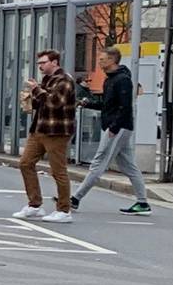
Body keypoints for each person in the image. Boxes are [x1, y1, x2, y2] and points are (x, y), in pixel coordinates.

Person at [72, 47, 153, 216]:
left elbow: (125, 107)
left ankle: (75, 199)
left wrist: (114, 128)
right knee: (129, 166)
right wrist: (87, 104)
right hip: (117, 126)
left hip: (118, 127)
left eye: (102, 59)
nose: (99, 62)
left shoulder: (122, 80)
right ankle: (142, 202)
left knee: (99, 162)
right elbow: (107, 105)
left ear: (112, 60)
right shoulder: (110, 80)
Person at [14, 49, 79, 222]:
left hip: (56, 131)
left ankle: (64, 210)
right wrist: (30, 99)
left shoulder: (65, 80)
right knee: (25, 163)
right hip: (40, 129)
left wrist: (36, 90)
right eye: (39, 63)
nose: (40, 66)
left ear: (55, 62)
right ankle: (35, 204)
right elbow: (42, 103)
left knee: (58, 170)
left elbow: (54, 103)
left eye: (43, 63)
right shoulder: (47, 80)